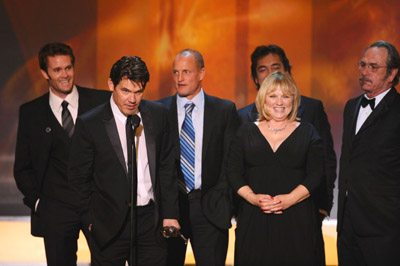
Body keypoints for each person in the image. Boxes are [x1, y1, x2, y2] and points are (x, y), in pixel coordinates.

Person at [68, 56, 179, 265]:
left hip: (150, 222)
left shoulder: (158, 115)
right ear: (111, 85)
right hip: (108, 224)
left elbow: (166, 168)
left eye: (138, 92)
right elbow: (78, 178)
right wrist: (90, 222)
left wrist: (170, 214)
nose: (132, 99)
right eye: (125, 91)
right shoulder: (90, 123)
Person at [13, 42, 110, 266]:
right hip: (55, 211)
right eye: (57, 70)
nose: (65, 75)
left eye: (68, 68)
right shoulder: (31, 113)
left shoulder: (101, 102)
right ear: (44, 73)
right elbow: (23, 168)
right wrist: (39, 204)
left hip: (98, 206)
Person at [228, 71, 325, 266]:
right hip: (255, 218)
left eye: (286, 96)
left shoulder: (308, 131)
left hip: (296, 219)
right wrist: (253, 198)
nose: (279, 102)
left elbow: (316, 175)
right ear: (263, 99)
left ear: (294, 100)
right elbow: (233, 172)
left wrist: (288, 200)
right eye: (273, 96)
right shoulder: (245, 131)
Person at [158, 49, 239, 266]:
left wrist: (226, 203)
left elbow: (231, 161)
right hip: (171, 209)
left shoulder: (224, 110)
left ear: (202, 73)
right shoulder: (158, 110)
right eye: (175, 72)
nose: (179, 78)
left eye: (186, 72)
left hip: (211, 209)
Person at [238, 44, 337, 220]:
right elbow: (235, 169)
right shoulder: (243, 117)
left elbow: (325, 162)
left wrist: (323, 206)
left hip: (304, 210)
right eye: (263, 69)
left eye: (275, 68)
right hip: (254, 212)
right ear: (255, 78)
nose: (270, 74)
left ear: (288, 71)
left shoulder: (312, 109)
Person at [337, 41, 400, 266]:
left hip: (385, 228)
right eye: (362, 65)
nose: (364, 72)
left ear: (392, 73)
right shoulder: (351, 106)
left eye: (373, 67)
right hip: (347, 224)